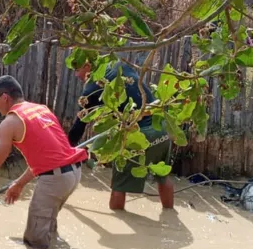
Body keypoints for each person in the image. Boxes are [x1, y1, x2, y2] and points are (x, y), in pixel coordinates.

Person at [0, 75, 88, 249]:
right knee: (48, 229)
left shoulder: (10, 122)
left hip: (56, 179)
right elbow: (49, 157)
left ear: (5, 97)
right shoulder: (41, 109)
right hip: (73, 173)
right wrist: (19, 183)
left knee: (34, 243)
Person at [68, 60, 174, 210]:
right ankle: (170, 216)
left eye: (76, 69)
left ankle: (117, 217)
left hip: (138, 132)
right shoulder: (118, 64)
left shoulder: (91, 89)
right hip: (162, 128)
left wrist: (66, 151)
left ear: (87, 66)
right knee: (163, 176)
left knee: (119, 187)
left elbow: (79, 127)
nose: (76, 75)